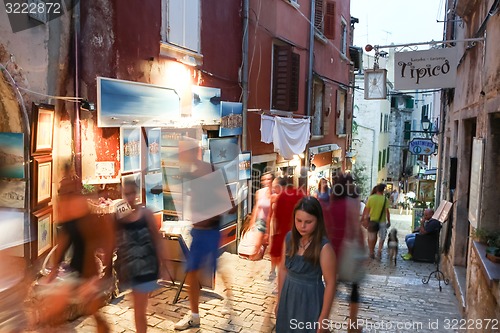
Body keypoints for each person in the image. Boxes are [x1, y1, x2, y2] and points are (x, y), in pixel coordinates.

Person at [39, 162, 112, 332]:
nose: (62, 194)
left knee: (92, 311)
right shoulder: (70, 211)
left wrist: (101, 271)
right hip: (78, 268)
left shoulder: (83, 210)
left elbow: (100, 239)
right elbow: (64, 240)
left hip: (87, 269)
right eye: (61, 191)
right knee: (61, 311)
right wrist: (56, 268)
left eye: (64, 191)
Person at [174, 142, 236, 330]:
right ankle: (196, 315)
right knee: (195, 272)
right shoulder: (193, 174)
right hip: (198, 231)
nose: (180, 156)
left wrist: (207, 214)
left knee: (208, 269)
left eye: (182, 152)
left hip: (209, 231)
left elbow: (228, 202)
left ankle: (227, 302)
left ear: (193, 153)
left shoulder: (210, 172)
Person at [276, 197, 336, 333]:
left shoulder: (324, 247)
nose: (302, 226)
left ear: (318, 221)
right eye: (299, 221)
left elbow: (331, 283)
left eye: (308, 222)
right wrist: (279, 300)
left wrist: (324, 317)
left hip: (310, 300)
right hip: (288, 296)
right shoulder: (289, 238)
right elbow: (283, 269)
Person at [116, 180, 166, 333]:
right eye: (126, 194)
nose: (129, 197)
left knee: (139, 311)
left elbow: (157, 239)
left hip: (146, 267)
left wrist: (163, 263)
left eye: (132, 193)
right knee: (138, 310)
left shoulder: (146, 214)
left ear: (136, 194)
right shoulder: (122, 216)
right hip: (132, 269)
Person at [325, 174, 365, 333]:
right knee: (354, 288)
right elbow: (356, 228)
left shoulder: (331, 203)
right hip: (348, 250)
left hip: (333, 249)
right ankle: (352, 325)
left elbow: (328, 228)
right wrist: (362, 249)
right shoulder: (351, 204)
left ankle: (324, 322)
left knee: (331, 287)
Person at [247, 172, 274, 260]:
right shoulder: (260, 192)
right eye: (264, 179)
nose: (266, 181)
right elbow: (256, 207)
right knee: (256, 246)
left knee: (267, 246)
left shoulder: (275, 193)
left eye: (268, 179)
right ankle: (252, 263)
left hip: (271, 223)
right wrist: (252, 223)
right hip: (261, 221)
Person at [361, 183, 390, 259]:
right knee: (382, 236)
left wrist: (364, 219)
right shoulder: (385, 199)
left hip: (372, 221)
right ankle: (379, 250)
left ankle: (371, 252)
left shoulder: (371, 198)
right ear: (383, 190)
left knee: (371, 237)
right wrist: (389, 221)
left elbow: (366, 210)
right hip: (382, 221)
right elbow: (387, 211)